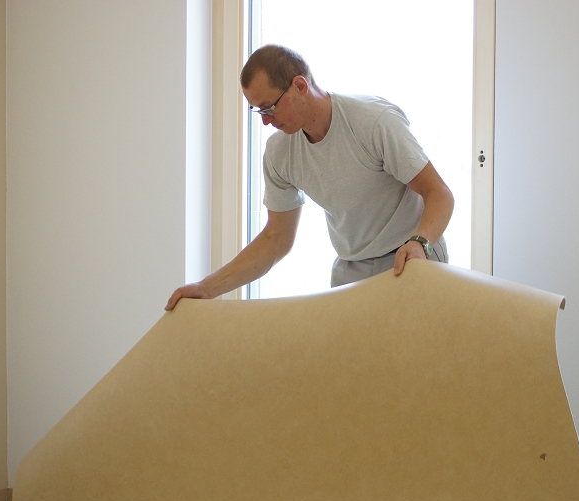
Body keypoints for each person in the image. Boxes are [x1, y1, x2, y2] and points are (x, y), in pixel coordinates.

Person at [165, 45, 454, 311]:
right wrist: (207, 287)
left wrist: (421, 242)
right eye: (258, 111)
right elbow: (276, 238)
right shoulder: (280, 152)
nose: (265, 121)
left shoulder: (374, 121)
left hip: (412, 255)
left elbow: (439, 194)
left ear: (300, 86)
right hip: (351, 269)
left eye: (269, 107)